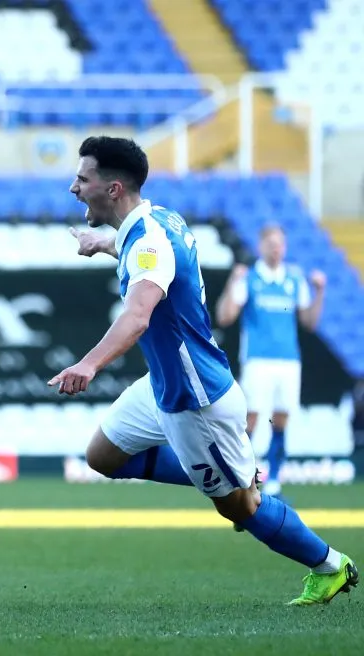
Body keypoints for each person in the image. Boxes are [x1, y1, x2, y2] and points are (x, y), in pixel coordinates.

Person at [50, 135, 357, 605]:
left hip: (197, 401)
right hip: (163, 386)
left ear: (113, 189)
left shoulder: (149, 240)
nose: (74, 188)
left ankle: (330, 564)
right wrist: (103, 243)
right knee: (102, 456)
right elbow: (146, 254)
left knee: (241, 507)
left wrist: (88, 364)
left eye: (82, 178)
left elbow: (138, 316)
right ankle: (230, 470)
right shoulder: (156, 221)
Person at [214, 224, 326, 500]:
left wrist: (320, 292)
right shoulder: (251, 278)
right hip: (257, 360)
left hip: (288, 361)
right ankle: (246, 482)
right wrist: (232, 282)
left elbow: (309, 322)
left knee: (281, 419)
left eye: (280, 244)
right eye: (271, 244)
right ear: (261, 247)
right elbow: (225, 317)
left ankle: (274, 482)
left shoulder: (294, 280)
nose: (276, 249)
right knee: (252, 419)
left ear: (284, 248)